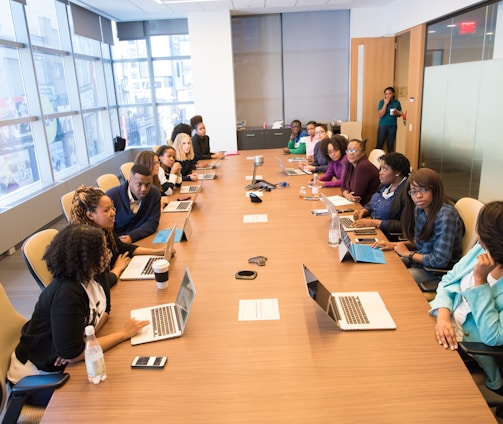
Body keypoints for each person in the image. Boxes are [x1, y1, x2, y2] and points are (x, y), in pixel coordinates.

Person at [7, 224, 149, 398]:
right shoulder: (67, 294)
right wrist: (123, 333)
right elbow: (73, 354)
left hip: (66, 360)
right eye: (102, 250)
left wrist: (87, 341)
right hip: (38, 378)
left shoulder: (95, 273)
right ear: (86, 258)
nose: (108, 253)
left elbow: (105, 310)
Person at [429, 201, 503, 396]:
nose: (477, 238)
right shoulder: (481, 250)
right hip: (444, 325)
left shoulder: (485, 258)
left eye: (483, 234)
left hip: (470, 349)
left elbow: (493, 336)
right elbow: (448, 281)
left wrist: (480, 281)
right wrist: (443, 318)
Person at [374, 168, 464, 287]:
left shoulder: (446, 216)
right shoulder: (420, 210)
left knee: (391, 279)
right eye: (414, 191)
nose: (419, 196)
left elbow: (440, 260)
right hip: (420, 262)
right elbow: (420, 242)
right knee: (382, 266)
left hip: (437, 272)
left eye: (425, 190)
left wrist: (407, 254)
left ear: (435, 190)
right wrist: (394, 245)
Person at [69, 186, 165, 285]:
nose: (113, 213)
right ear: (90, 215)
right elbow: (99, 284)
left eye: (112, 208)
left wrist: (156, 252)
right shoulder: (85, 243)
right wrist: (118, 268)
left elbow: (123, 247)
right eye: (106, 210)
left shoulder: (104, 230)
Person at [352, 152, 410, 239]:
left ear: (397, 172)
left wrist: (376, 223)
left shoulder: (408, 192)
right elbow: (375, 201)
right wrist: (365, 210)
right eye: (381, 168)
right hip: (374, 230)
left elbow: (405, 225)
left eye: (384, 169)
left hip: (388, 237)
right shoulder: (385, 185)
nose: (380, 173)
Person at [106, 164, 161, 243]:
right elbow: (105, 229)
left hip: (141, 239)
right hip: (118, 243)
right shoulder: (111, 197)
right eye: (139, 184)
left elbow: (152, 222)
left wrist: (131, 237)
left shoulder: (154, 193)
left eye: (148, 184)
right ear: (129, 181)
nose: (144, 189)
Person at [341, 139, 380, 205]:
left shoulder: (363, 166)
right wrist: (346, 195)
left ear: (363, 153)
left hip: (367, 206)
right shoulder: (350, 163)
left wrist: (346, 194)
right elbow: (343, 185)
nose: (351, 153)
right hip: (357, 204)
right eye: (349, 150)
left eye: (355, 150)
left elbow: (356, 195)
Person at [377, 86, 403, 152]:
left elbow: (400, 114)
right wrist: (385, 104)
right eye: (386, 94)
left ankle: (391, 161)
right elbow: (381, 114)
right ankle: (375, 160)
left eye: (389, 93)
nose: (387, 95)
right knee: (379, 144)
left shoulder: (397, 102)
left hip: (393, 125)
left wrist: (397, 112)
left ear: (393, 94)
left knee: (390, 145)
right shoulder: (382, 102)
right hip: (383, 125)